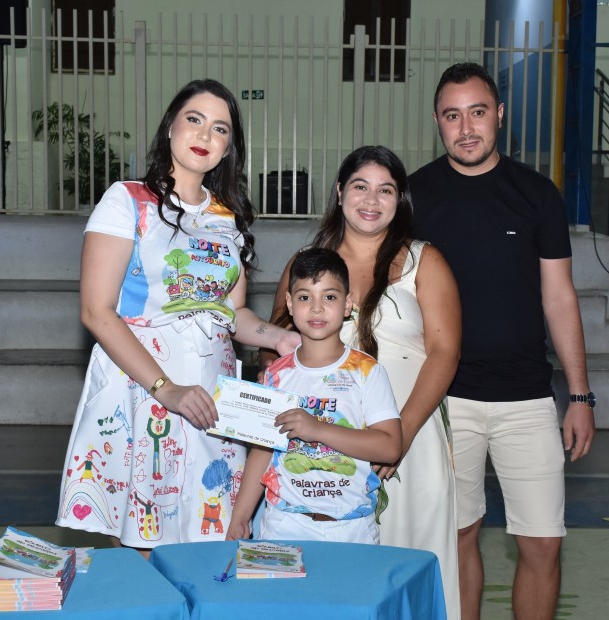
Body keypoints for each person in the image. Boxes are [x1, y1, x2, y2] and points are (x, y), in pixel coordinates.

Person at [56, 79, 300, 557]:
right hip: (144, 390)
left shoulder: (227, 218)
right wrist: (165, 389)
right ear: (170, 126)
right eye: (195, 119)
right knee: (146, 546)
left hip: (211, 396)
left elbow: (231, 314)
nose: (205, 135)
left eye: (220, 129)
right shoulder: (127, 200)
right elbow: (96, 311)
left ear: (229, 147)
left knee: (212, 536)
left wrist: (279, 338)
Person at [409, 62, 596, 620]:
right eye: (452, 116)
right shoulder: (414, 196)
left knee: (542, 544)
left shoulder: (537, 195)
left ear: (500, 115)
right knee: (458, 537)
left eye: (478, 112)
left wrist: (579, 396)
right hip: (445, 402)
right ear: (437, 123)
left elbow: (559, 297)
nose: (466, 127)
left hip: (527, 399)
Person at [258, 146, 462, 618]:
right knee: (335, 583)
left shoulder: (424, 260)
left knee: (412, 564)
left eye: (385, 190)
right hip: (321, 450)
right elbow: (276, 348)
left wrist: (398, 437)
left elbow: (445, 353)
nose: (372, 200)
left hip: (410, 437)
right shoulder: (308, 265)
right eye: (360, 187)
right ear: (339, 192)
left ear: (400, 199)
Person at [228, 247, 403, 545]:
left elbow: (389, 448)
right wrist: (240, 517)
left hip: (352, 527)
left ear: (347, 304)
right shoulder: (275, 375)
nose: (317, 308)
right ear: (289, 303)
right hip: (284, 523)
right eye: (305, 297)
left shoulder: (367, 372)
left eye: (330, 297)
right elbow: (262, 450)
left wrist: (317, 429)